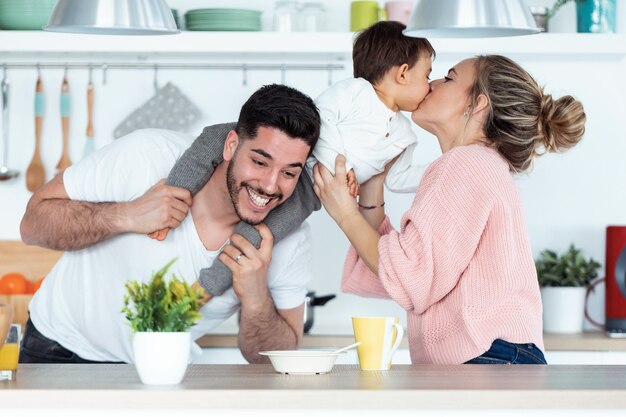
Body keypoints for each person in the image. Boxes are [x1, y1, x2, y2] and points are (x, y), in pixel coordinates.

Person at [18, 84, 321, 364]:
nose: (269, 185)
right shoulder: (147, 155)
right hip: (54, 351)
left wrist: (255, 297)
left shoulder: (289, 241)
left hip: (161, 374)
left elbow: (273, 358)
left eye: (289, 173)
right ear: (230, 146)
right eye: (259, 162)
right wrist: (125, 215)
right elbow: (32, 224)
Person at [313, 55, 586, 365]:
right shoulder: (481, 166)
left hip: (487, 358)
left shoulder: (463, 165)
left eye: (450, 78)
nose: (432, 84)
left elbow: (409, 278)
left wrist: (344, 212)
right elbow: (408, 273)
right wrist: (373, 188)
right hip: (498, 358)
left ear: (477, 105)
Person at [154, 21, 435, 299]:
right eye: (428, 75)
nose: (430, 86)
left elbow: (399, 178)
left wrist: (441, 169)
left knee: (257, 237)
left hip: (306, 193)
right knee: (214, 141)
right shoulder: (356, 92)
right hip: (293, 148)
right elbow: (322, 116)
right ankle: (170, 204)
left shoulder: (404, 135)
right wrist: (343, 167)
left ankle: (203, 290)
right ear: (402, 73)